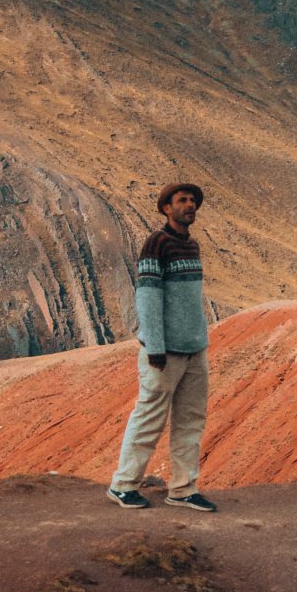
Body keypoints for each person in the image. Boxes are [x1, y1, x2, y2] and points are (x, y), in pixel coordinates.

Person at [107, 182, 216, 514]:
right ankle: (123, 485)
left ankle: (183, 488)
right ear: (166, 208)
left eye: (193, 201)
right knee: (149, 417)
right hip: (164, 353)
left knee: (190, 420)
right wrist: (154, 346)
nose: (190, 205)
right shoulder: (157, 244)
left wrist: (200, 342)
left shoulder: (192, 246)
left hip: (194, 350)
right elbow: (148, 297)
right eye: (182, 200)